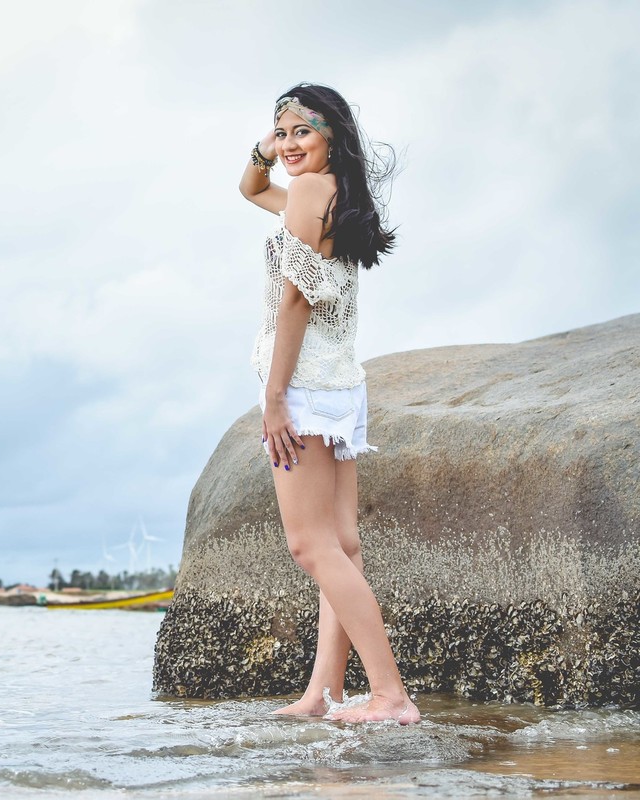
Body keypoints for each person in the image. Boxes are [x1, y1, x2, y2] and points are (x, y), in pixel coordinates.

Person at [238, 83, 420, 725]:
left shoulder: (312, 190)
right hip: (341, 384)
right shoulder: (333, 192)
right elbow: (251, 189)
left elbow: (295, 299)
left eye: (302, 132)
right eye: (281, 131)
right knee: (341, 543)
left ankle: (391, 696)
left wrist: (274, 398)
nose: (288, 144)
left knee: (310, 546)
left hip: (305, 387)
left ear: (332, 136)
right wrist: (268, 147)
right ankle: (324, 692)